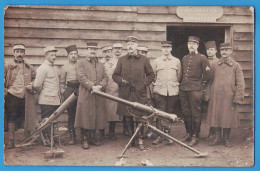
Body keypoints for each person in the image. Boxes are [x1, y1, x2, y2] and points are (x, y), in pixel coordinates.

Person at [112, 36, 155, 150]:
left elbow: (151, 74)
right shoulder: (121, 59)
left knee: (140, 117)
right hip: (125, 93)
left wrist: (144, 83)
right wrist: (121, 81)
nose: (130, 46)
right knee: (128, 117)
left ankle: (140, 139)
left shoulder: (144, 60)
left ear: (137, 46)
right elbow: (115, 75)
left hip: (139, 93)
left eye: (132, 44)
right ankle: (131, 139)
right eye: (128, 44)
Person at [207, 43, 245, 147]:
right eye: (222, 50)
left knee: (227, 118)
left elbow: (240, 83)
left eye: (227, 50)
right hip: (215, 97)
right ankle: (217, 138)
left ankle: (226, 139)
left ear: (230, 51)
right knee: (217, 116)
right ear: (219, 51)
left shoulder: (236, 66)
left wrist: (237, 98)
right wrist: (207, 94)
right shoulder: (214, 65)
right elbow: (209, 81)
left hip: (229, 97)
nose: (224, 52)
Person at [179, 36, 211, 147]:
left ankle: (195, 136)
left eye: (194, 43)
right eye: (189, 43)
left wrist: (200, 85)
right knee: (185, 112)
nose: (191, 45)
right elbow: (182, 73)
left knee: (196, 113)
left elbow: (208, 74)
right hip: (184, 89)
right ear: (187, 45)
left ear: (197, 45)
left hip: (196, 89)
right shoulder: (184, 58)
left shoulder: (202, 58)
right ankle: (189, 133)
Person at [75, 42, 108, 149]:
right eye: (90, 49)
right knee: (85, 115)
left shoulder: (101, 64)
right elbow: (81, 77)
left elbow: (105, 77)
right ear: (87, 50)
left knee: (96, 115)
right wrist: (92, 86)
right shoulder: (81, 63)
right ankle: (85, 139)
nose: (93, 51)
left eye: (94, 49)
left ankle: (93, 137)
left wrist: (100, 86)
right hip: (86, 93)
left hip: (98, 94)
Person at [4, 44, 36, 148]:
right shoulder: (7, 65)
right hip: (12, 94)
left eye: (21, 52)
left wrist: (32, 84)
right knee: (11, 117)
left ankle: (26, 139)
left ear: (24, 54)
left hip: (25, 96)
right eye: (17, 52)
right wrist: (5, 90)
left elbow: (35, 77)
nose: (19, 54)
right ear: (13, 53)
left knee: (26, 117)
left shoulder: (29, 66)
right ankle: (11, 140)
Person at [152, 41, 181, 145]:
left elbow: (179, 76)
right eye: (164, 47)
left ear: (171, 49)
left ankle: (167, 135)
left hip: (172, 92)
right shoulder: (156, 61)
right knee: (160, 113)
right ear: (161, 49)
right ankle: (160, 136)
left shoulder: (176, 61)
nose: (166, 49)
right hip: (160, 91)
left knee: (169, 114)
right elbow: (153, 76)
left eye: (168, 47)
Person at [33, 46, 61, 146]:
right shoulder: (42, 68)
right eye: (51, 55)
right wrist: (43, 92)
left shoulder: (54, 67)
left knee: (52, 120)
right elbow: (36, 85)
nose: (54, 57)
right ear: (46, 56)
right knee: (46, 120)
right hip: (46, 99)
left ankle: (52, 138)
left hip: (55, 99)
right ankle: (47, 139)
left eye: (55, 55)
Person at [60, 45, 79, 145]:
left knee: (81, 113)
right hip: (70, 90)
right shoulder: (64, 67)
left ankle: (84, 136)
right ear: (68, 56)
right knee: (71, 114)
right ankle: (72, 136)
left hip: (80, 89)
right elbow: (62, 82)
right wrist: (64, 92)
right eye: (71, 54)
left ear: (77, 55)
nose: (73, 56)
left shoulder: (81, 65)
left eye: (75, 54)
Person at [103, 45, 120, 140]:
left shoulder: (116, 62)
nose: (107, 54)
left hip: (113, 89)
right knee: (102, 111)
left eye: (109, 52)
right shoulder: (100, 63)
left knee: (113, 111)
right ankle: (101, 132)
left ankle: (112, 132)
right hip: (103, 90)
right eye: (105, 52)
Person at [204, 41, 219, 142]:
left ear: (216, 51)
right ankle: (210, 133)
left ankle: (215, 134)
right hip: (204, 88)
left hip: (214, 88)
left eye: (212, 50)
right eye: (208, 50)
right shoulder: (203, 60)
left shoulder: (218, 62)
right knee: (207, 112)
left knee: (215, 111)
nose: (209, 52)